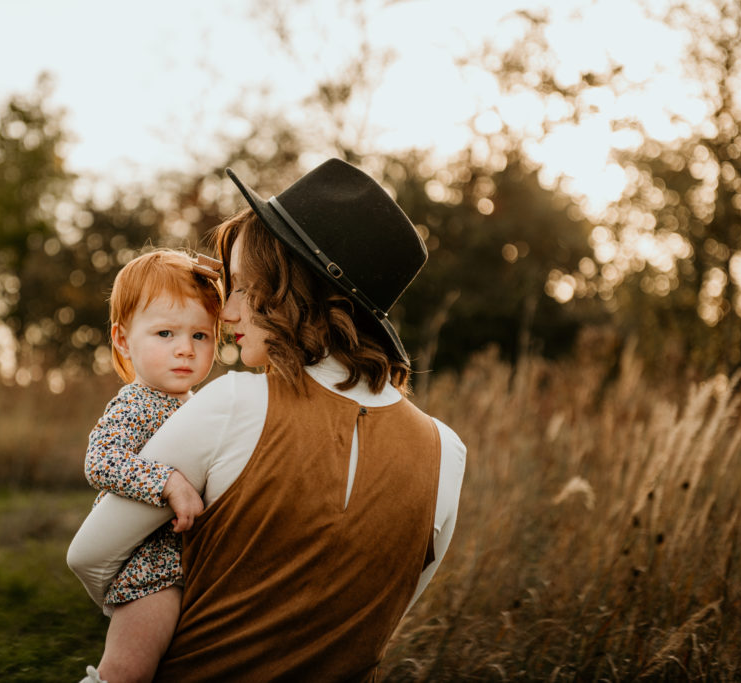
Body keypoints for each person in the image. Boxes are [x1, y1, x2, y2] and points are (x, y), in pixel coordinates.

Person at [69, 159, 467, 682]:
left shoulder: (230, 402)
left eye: (241, 287)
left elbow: (88, 555)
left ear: (288, 289)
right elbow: (388, 612)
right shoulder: (447, 452)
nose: (227, 312)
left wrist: (156, 609)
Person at [67, 249, 224, 683]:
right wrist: (166, 481)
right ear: (122, 341)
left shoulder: (201, 404)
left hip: (189, 568)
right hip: (150, 574)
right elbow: (101, 460)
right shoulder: (138, 402)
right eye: (165, 333)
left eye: (201, 336)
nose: (184, 350)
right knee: (126, 673)